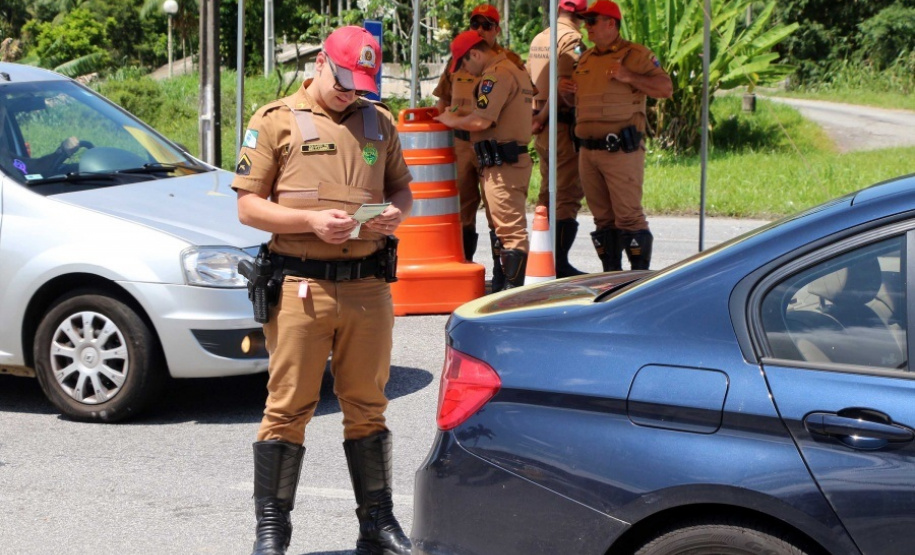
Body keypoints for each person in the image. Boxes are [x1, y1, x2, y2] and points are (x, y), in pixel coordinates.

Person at [231, 25, 414, 555]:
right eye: (343, 79)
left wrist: (397, 213)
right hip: (300, 287)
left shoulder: (378, 122)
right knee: (287, 409)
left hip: (368, 286)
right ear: (319, 64)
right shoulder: (275, 121)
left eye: (360, 83)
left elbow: (401, 185)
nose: (349, 91)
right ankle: (273, 531)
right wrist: (310, 222)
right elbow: (246, 206)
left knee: (368, 406)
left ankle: (376, 523)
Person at [559, 0, 672, 270]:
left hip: (621, 150)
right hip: (588, 152)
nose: (587, 28)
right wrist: (567, 92)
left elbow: (665, 88)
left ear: (611, 23)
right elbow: (580, 104)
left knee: (629, 219)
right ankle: (610, 277)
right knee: (603, 221)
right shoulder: (584, 59)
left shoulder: (636, 55)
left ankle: (637, 281)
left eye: (592, 22)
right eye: (585, 22)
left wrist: (629, 76)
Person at [432, 3, 528, 290]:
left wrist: (449, 119)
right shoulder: (498, 68)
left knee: (504, 224)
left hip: (499, 155)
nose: (480, 29)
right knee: (471, 213)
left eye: (487, 25)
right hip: (473, 150)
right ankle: (476, 277)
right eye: (476, 24)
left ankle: (506, 293)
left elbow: (482, 120)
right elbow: (443, 99)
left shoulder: (501, 69)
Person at [528, 0, 588, 277]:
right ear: (580, 14)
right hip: (559, 126)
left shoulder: (541, 38)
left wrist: (535, 117)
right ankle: (559, 262)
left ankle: (543, 254)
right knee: (566, 194)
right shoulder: (573, 39)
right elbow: (565, 85)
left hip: (540, 126)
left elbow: (532, 83)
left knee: (546, 192)